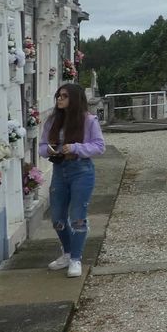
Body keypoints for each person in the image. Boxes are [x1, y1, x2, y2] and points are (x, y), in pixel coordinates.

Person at [37, 82, 106, 278]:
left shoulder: (88, 121)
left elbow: (99, 146)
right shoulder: (52, 122)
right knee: (57, 217)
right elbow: (42, 147)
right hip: (60, 170)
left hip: (81, 171)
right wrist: (49, 149)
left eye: (64, 96)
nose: (59, 98)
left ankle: (76, 258)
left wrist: (75, 148)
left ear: (74, 99)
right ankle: (66, 253)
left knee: (77, 216)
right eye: (59, 95)